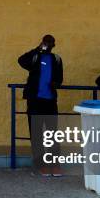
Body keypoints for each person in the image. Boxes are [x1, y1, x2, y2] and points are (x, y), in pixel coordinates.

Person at [18, 35, 64, 177]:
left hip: (50, 101)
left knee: (52, 133)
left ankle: (54, 164)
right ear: (42, 42)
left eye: (50, 42)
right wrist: (37, 49)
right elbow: (21, 61)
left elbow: (60, 78)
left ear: (54, 44)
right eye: (45, 42)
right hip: (34, 100)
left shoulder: (56, 59)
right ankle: (40, 164)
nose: (48, 44)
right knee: (36, 134)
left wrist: (56, 84)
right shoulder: (35, 57)